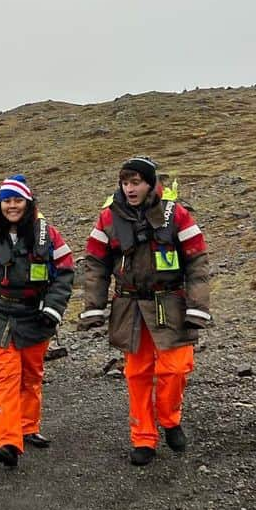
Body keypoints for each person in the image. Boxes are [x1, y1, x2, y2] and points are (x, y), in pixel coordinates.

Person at [78, 157, 211, 466]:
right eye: (125, 183)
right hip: (129, 308)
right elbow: (95, 264)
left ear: (150, 183)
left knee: (176, 369)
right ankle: (143, 438)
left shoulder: (176, 215)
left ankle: (169, 418)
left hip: (170, 305)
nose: (130, 188)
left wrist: (198, 306)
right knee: (137, 374)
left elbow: (197, 261)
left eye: (136, 182)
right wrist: (93, 308)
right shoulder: (108, 219)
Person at [0, 175, 75, 467]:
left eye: (17, 200)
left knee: (31, 373)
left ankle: (29, 427)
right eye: (7, 201)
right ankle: (8, 442)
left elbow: (65, 271)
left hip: (35, 314)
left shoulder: (48, 234)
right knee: (4, 377)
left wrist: (54, 307)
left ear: (28, 202)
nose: (12, 206)